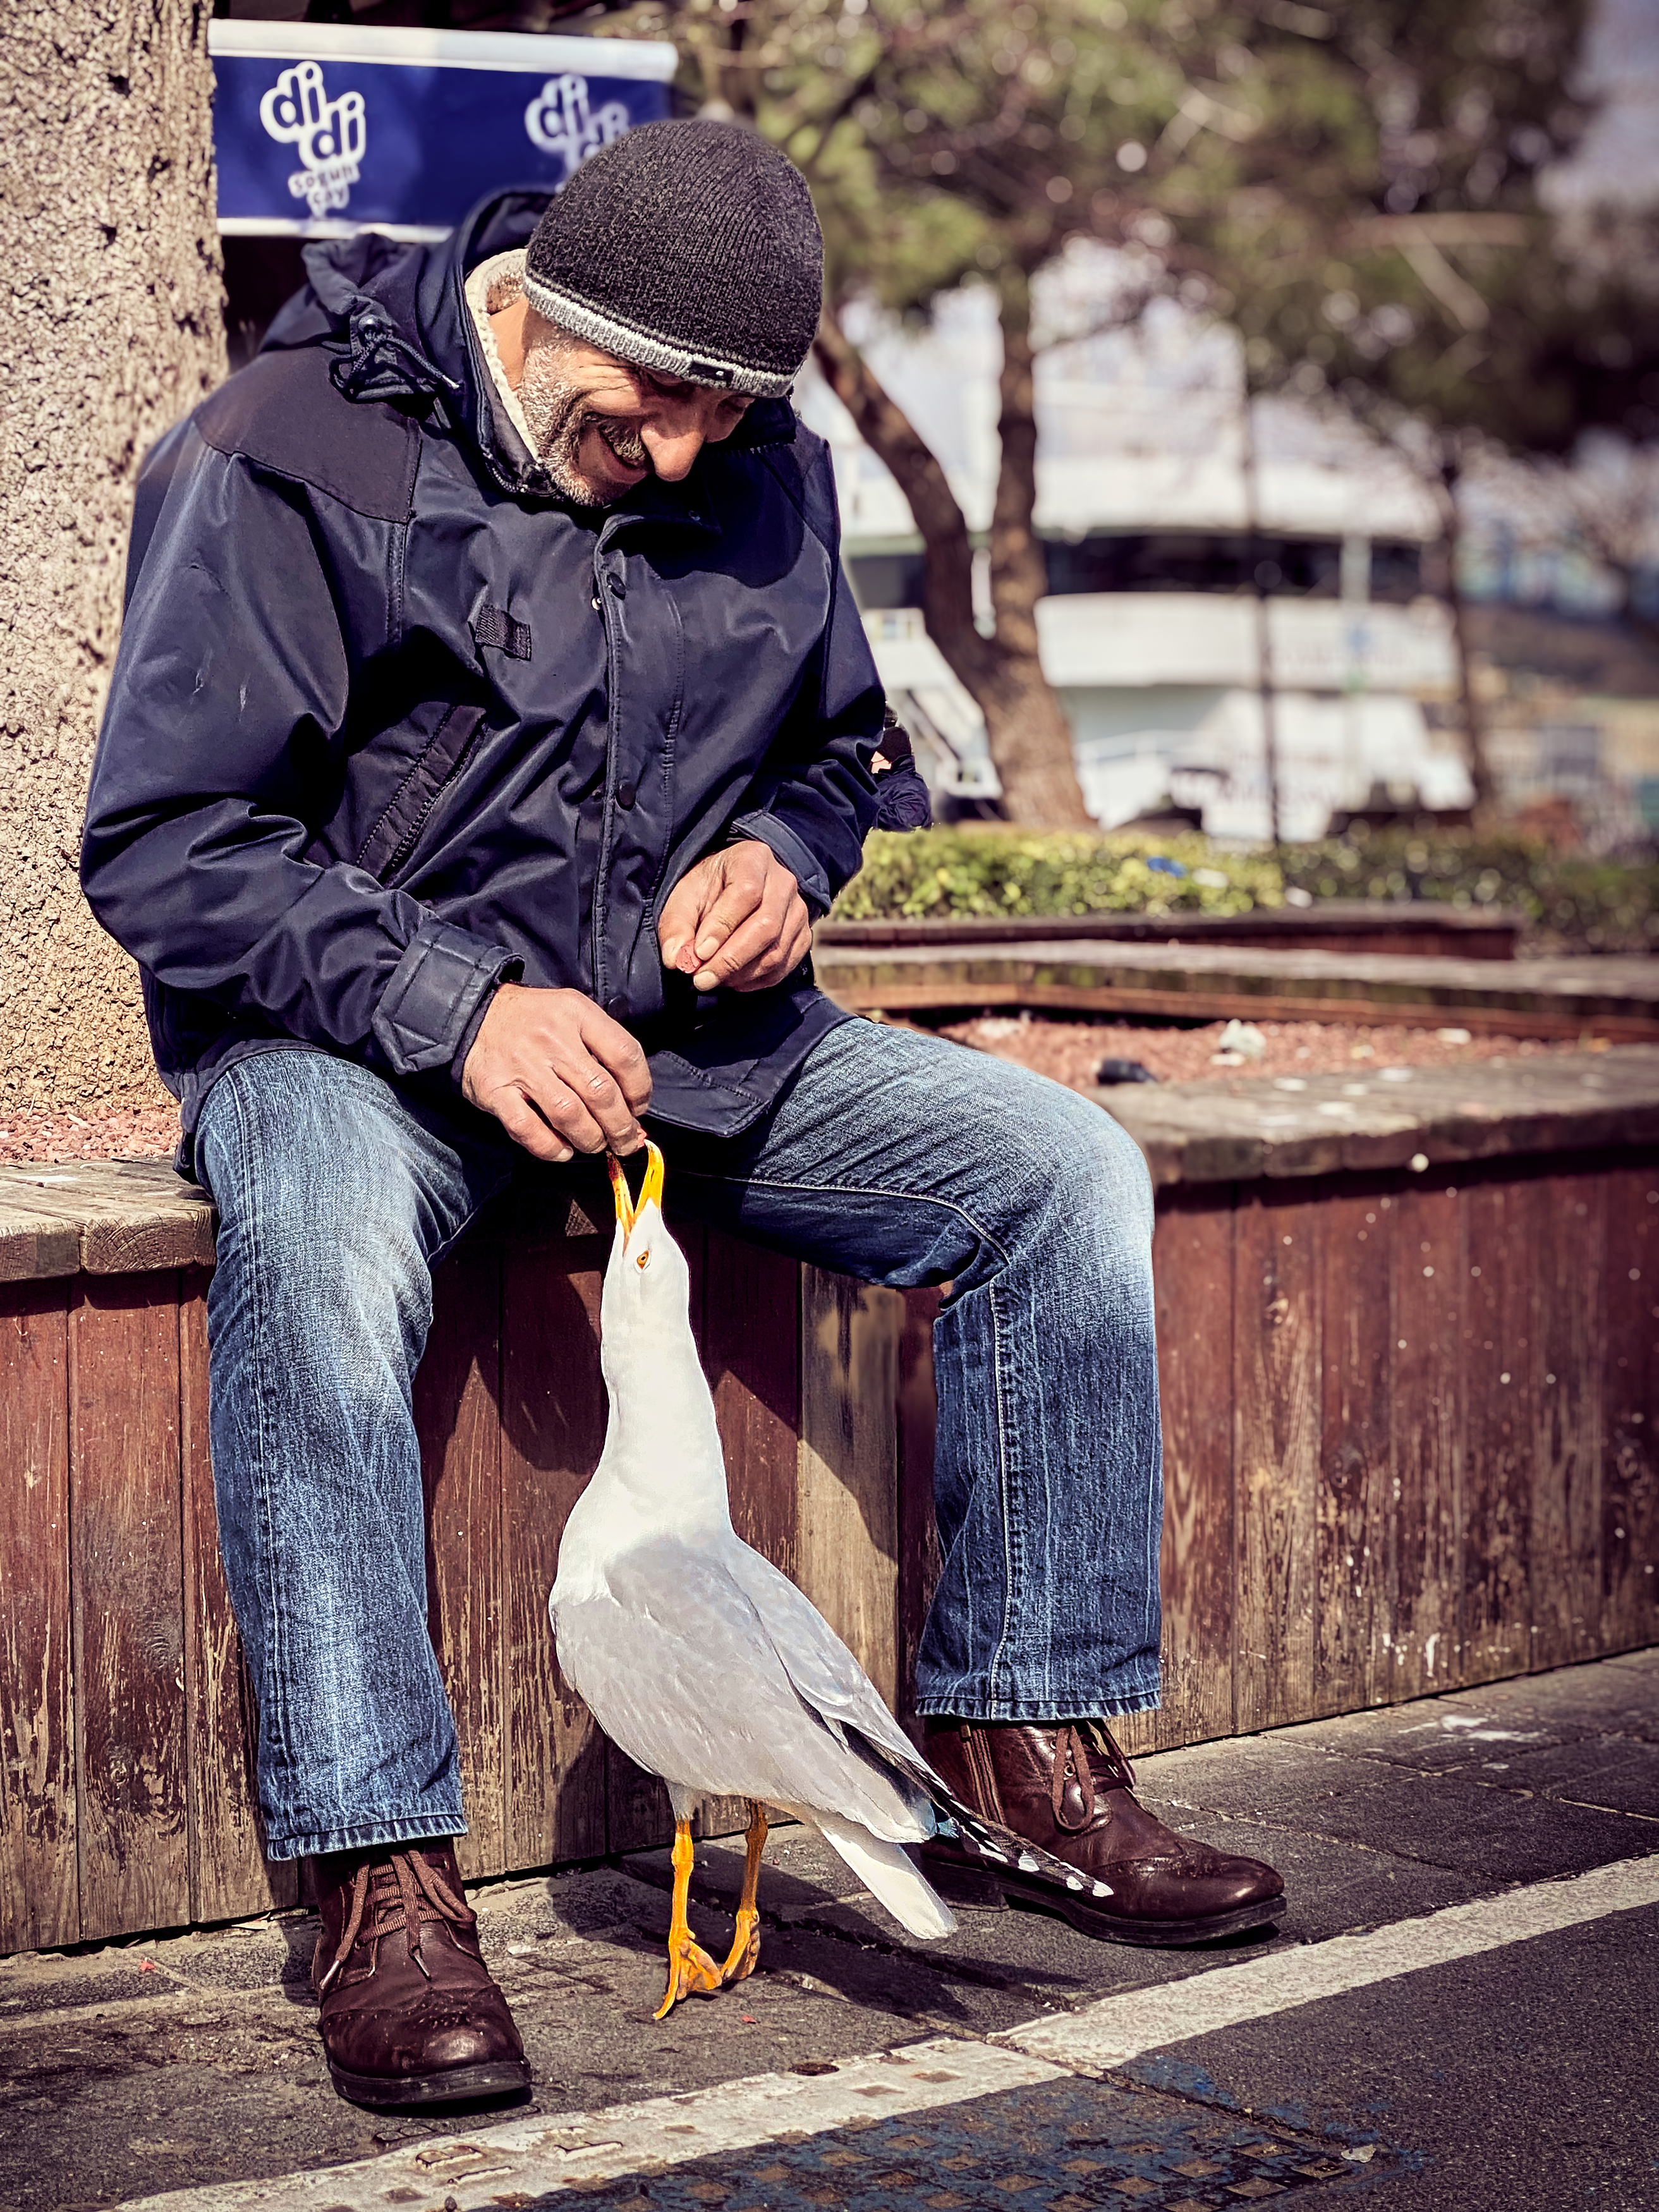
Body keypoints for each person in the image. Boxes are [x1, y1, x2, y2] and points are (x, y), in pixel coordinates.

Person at [82, 121, 1282, 2111]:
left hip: (692, 1054)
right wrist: (451, 1004)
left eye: (726, 421)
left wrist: (787, 859)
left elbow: (838, 751)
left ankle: (1021, 1748)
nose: (681, 460)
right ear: (545, 311)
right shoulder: (286, 448)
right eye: (646, 412)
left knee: (1062, 1168)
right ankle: (376, 1872)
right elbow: (168, 840)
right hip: (361, 1057)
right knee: (306, 1224)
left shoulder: (755, 461)